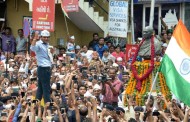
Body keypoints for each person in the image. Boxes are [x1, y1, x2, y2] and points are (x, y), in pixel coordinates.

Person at [30, 30, 52, 103]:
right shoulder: (39, 44)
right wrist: (34, 39)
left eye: (47, 37)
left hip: (46, 67)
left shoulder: (48, 44)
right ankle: (48, 107)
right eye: (44, 37)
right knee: (46, 88)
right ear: (41, 37)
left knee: (41, 88)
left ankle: (35, 104)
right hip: (43, 68)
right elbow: (32, 48)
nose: (46, 38)